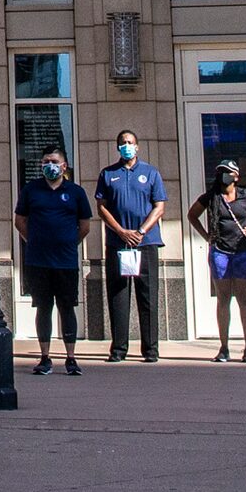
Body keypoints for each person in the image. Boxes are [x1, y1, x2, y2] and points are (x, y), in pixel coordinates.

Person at [13, 145, 92, 376]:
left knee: (67, 308)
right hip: (39, 261)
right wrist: (35, 240)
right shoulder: (31, 190)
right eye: (46, 161)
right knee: (44, 308)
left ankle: (71, 357)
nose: (50, 165)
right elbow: (20, 221)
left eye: (54, 161)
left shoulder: (75, 192)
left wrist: (67, 243)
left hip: (66, 262)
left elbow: (85, 226)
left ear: (64, 166)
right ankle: (45, 357)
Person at [186, 156, 246, 362]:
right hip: (220, 251)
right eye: (221, 172)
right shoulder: (212, 196)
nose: (224, 176)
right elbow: (192, 215)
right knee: (223, 298)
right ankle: (224, 347)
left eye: (227, 172)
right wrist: (207, 236)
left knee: (244, 298)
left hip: (242, 251)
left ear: (236, 176)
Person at [94, 130, 165, 362]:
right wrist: (122, 232)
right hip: (118, 243)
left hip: (146, 243)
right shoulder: (108, 174)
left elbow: (159, 206)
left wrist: (141, 231)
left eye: (130, 143)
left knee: (148, 296)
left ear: (138, 146)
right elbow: (102, 207)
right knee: (118, 296)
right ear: (117, 147)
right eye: (123, 143)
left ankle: (151, 350)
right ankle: (118, 349)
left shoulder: (151, 173)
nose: (127, 146)